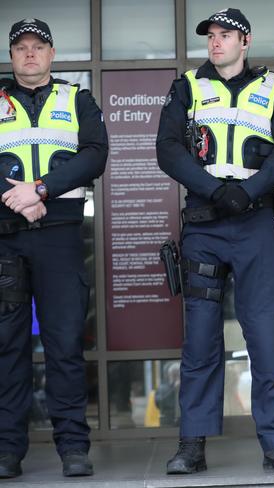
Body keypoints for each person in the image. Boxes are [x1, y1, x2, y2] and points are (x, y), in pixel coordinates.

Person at [156, 7, 274, 474]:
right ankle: (192, 446)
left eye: (225, 35)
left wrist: (249, 191)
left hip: (256, 224)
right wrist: (217, 190)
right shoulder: (187, 87)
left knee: (266, 335)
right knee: (200, 341)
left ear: (246, 41)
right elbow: (168, 149)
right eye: (211, 36)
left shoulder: (273, 88)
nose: (216, 42)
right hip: (204, 224)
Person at [0, 18, 108, 478]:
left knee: (65, 344)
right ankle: (7, 451)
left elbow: (96, 153)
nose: (29, 54)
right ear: (11, 56)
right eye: (20, 47)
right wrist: (15, 199)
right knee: (7, 346)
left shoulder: (76, 97)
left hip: (61, 235)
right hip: (5, 237)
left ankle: (73, 448)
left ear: (51, 53)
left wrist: (39, 191)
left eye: (37, 47)